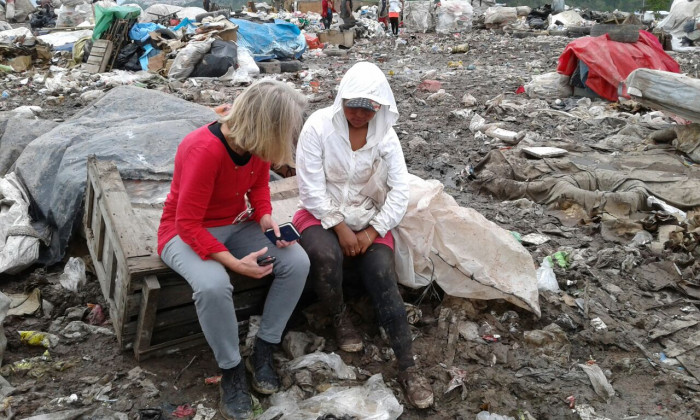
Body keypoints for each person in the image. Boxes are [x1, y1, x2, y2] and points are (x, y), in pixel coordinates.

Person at [157, 80, 310, 420]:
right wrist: (234, 264)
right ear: (266, 125)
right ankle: (232, 369)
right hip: (183, 232)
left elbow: (258, 187)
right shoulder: (204, 149)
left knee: (296, 261)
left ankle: (264, 347)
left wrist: (266, 218)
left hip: (234, 223)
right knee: (213, 285)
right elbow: (188, 224)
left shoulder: (253, 145)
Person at [294, 62, 434, 409]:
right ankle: (341, 319)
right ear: (340, 99)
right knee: (326, 257)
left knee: (382, 273)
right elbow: (310, 188)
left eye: (367, 108)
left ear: (379, 107)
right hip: (321, 214)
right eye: (352, 105)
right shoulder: (318, 127)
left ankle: (408, 367)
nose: (358, 114)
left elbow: (400, 191)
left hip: (370, 217)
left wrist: (371, 232)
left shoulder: (386, 135)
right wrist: (340, 227)